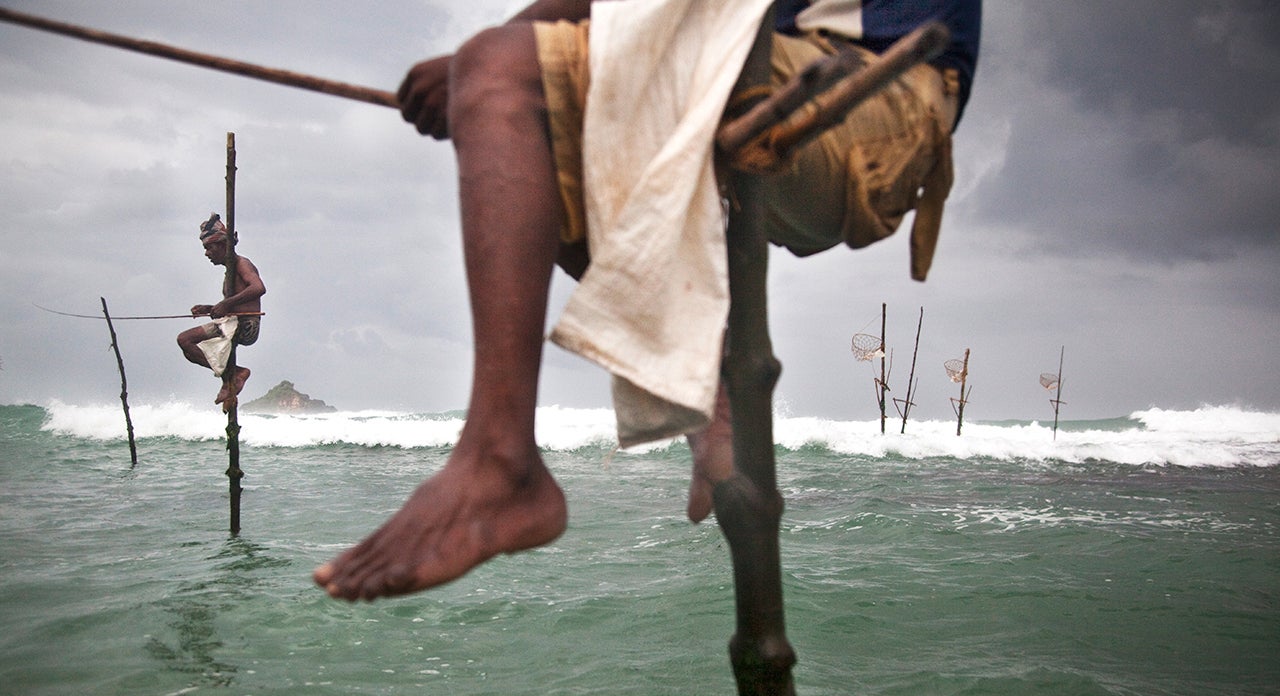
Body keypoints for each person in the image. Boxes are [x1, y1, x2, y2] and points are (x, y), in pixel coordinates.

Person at [314, 0, 980, 601]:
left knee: (502, 72)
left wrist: (481, 65)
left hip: (878, 89)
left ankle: (500, 461)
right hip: (774, 72)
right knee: (530, 119)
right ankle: (709, 395)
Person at [176, 213, 266, 412]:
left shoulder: (242, 263)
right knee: (187, 347)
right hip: (231, 322)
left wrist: (226, 305)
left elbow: (258, 288)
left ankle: (235, 374)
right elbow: (232, 304)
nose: (207, 253)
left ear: (223, 245)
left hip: (244, 325)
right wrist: (210, 308)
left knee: (185, 339)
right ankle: (231, 379)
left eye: (209, 247)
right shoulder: (229, 271)